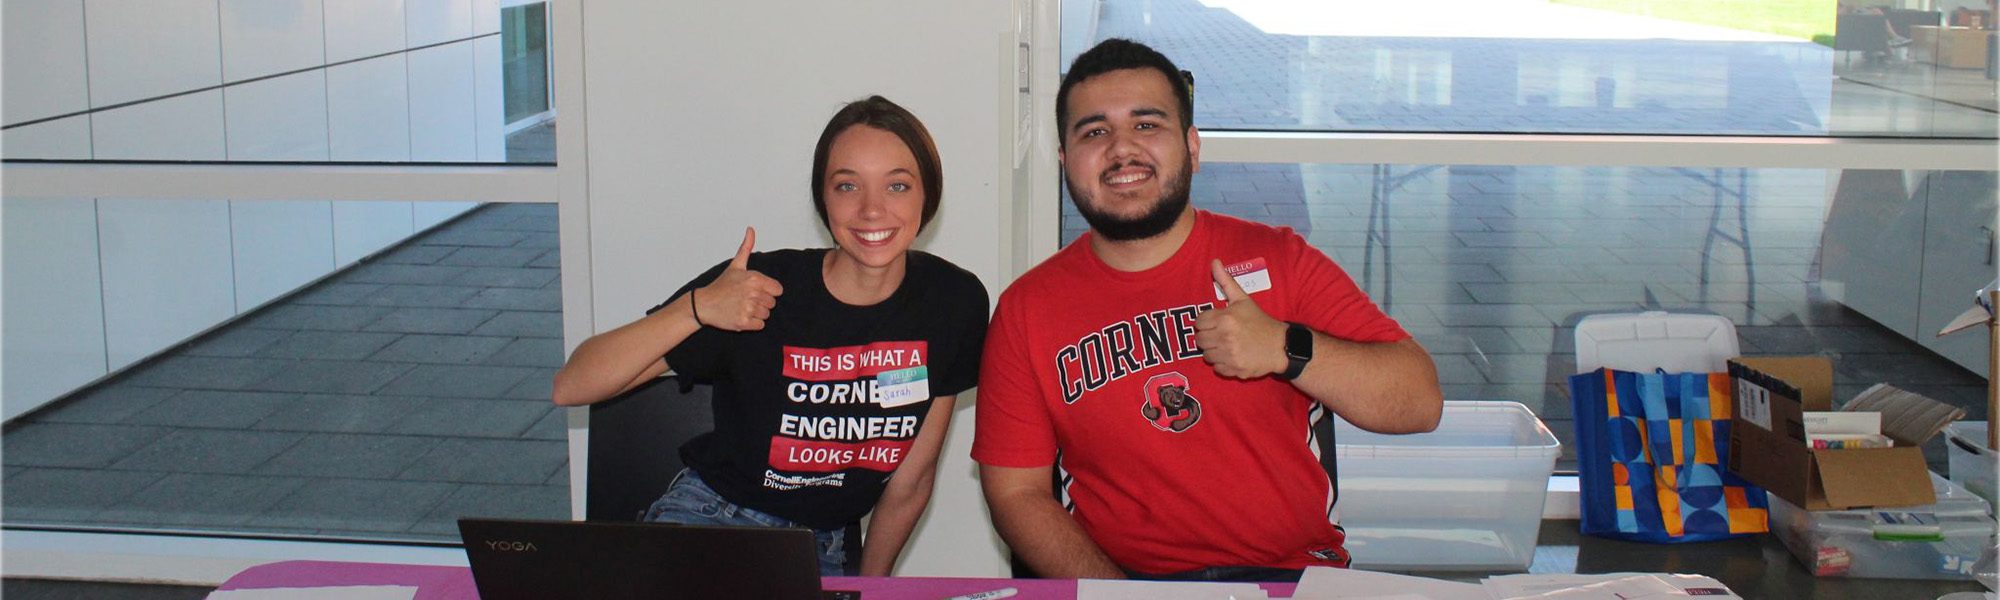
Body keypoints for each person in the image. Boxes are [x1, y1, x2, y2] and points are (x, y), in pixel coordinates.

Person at [972, 39, 1444, 583]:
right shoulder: (1027, 309)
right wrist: (1119, 599)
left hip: (1290, 577)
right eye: (1094, 132)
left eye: (1147, 124)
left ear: (1192, 147)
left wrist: (1286, 348)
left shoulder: (1279, 260)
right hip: (1124, 580)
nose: (1122, 149)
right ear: (1064, 161)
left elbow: (1420, 403)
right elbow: (1016, 492)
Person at [551, 96, 988, 577]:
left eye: (897, 185)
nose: (871, 209)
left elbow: (911, 481)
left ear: (928, 196)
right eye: (847, 186)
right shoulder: (763, 289)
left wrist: (869, 590)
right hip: (711, 519)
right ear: (824, 199)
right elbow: (572, 385)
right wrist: (696, 308)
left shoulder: (952, 303)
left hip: (822, 547)